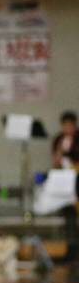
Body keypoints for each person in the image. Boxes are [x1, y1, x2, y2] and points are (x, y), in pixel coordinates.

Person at [51, 110, 79, 261]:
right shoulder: (58, 140)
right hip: (64, 180)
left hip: (77, 178)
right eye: (65, 126)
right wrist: (60, 151)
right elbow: (55, 163)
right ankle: (71, 250)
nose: (67, 128)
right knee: (69, 216)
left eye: (70, 126)